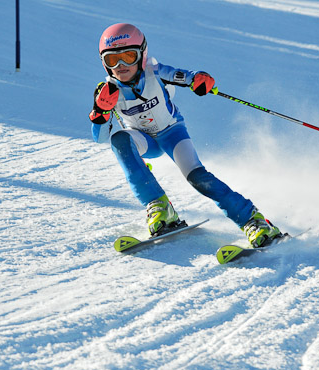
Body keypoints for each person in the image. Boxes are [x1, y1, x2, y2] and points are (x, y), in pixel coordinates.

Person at [89, 23, 281, 247]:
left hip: (172, 134)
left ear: (142, 55)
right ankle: (160, 207)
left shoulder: (155, 72)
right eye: (113, 60)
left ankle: (254, 221)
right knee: (119, 139)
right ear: (104, 63)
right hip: (143, 140)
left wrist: (200, 79)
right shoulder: (106, 91)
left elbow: (187, 76)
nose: (121, 65)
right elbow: (101, 138)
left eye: (128, 56)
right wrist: (100, 113)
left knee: (198, 178)